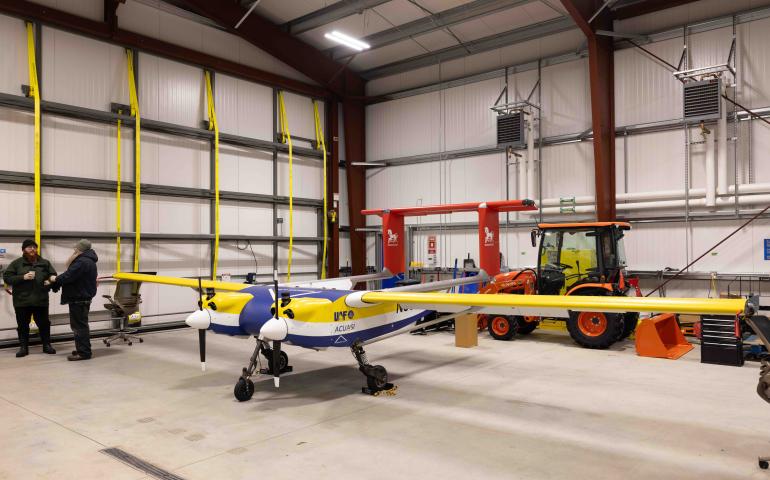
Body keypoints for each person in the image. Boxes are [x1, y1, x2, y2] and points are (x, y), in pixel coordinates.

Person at [2, 239, 57, 357]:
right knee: (22, 325)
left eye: (34, 247)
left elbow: (53, 275)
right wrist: (23, 277)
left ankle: (47, 345)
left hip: (40, 300)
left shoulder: (45, 263)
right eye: (29, 247)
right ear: (23, 250)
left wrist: (49, 281)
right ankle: (23, 348)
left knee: (44, 324)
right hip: (22, 301)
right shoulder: (16, 263)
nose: (32, 249)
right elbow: (7, 278)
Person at [49, 239, 98, 361]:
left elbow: (68, 276)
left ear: (80, 249)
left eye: (76, 248)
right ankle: (82, 348)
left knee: (79, 326)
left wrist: (54, 279)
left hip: (79, 298)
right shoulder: (88, 260)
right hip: (82, 297)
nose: (74, 250)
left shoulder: (82, 262)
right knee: (80, 325)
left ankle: (84, 352)